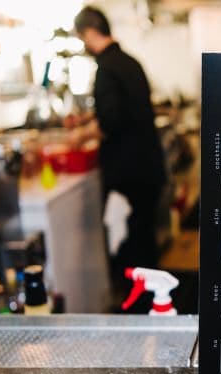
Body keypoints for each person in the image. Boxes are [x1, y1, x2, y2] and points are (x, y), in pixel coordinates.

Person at [72, 6, 166, 308]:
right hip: (148, 167)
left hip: (129, 174)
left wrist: (81, 136)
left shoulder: (106, 69)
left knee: (130, 245)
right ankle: (154, 301)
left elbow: (110, 120)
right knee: (145, 240)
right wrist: (88, 119)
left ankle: (138, 308)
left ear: (87, 34)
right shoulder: (129, 62)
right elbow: (123, 110)